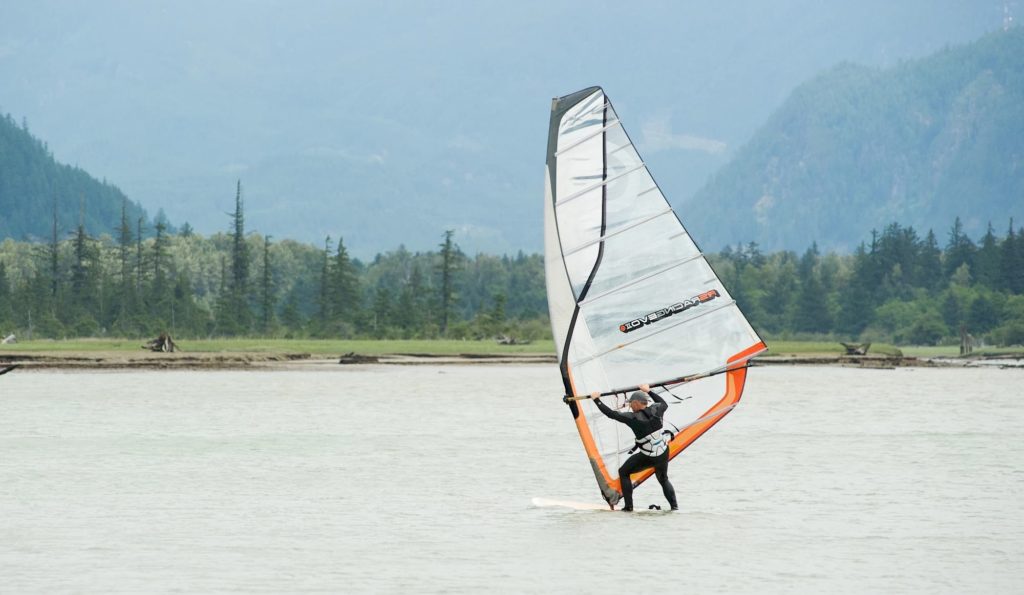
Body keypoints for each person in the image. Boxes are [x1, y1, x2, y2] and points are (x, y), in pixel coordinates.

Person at [591, 384, 678, 512]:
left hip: (648, 456)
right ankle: (675, 507)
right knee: (663, 479)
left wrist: (596, 400)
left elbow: (611, 414)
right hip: (663, 453)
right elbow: (663, 403)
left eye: (631, 403)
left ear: (637, 403)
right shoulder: (657, 409)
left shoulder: (633, 418)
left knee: (624, 472)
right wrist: (649, 390)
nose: (630, 406)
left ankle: (628, 507)